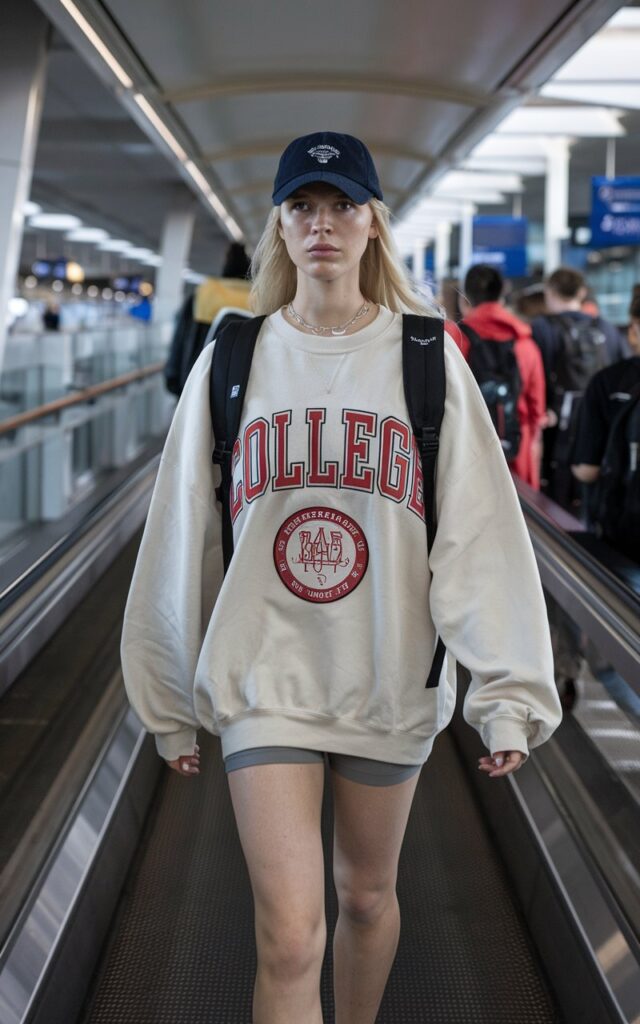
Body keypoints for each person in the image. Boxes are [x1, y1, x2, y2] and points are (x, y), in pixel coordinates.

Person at [120, 131, 562, 1024]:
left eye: (342, 205)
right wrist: (168, 697)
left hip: (385, 676)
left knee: (365, 897)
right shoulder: (235, 356)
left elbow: (477, 535)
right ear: (280, 227)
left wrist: (507, 690)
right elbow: (181, 536)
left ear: (373, 224)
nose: (322, 224)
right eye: (303, 207)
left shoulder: (427, 359)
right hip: (263, 675)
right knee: (288, 934)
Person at [530, 266, 630, 505]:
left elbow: (533, 377)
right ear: (582, 292)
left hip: (556, 425)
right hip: (600, 425)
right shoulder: (606, 328)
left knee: (555, 496)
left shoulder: (542, 328)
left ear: (550, 291)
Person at [455, 263, 547, 489]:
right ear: (502, 298)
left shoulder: (454, 340)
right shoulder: (525, 343)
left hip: (466, 451)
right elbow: (536, 409)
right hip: (517, 448)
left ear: (464, 299)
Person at [164, 242, 252, 396]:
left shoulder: (204, 293)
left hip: (197, 385)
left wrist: (173, 379)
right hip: (243, 391)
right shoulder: (260, 298)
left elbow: (181, 338)